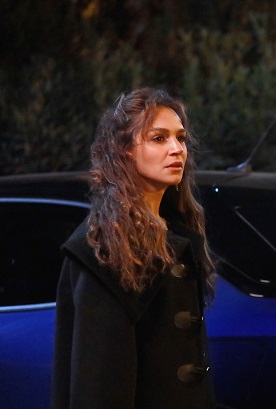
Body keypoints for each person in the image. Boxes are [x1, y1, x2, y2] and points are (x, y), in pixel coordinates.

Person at [51, 88, 216, 409]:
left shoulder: (176, 232)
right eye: (159, 138)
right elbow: (99, 379)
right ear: (124, 150)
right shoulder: (106, 245)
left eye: (180, 138)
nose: (176, 149)